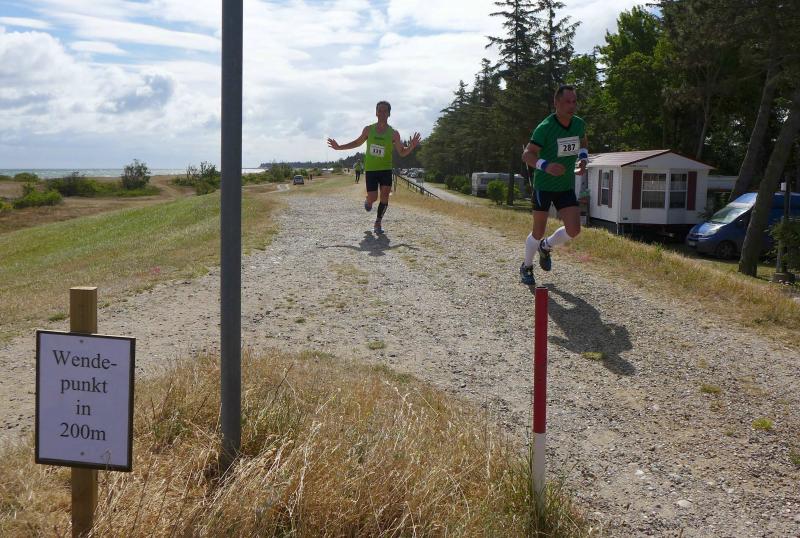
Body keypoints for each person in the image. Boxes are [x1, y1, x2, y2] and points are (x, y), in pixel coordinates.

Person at [519, 85, 588, 286]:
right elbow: (527, 155)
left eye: (574, 102)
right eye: (567, 102)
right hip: (544, 186)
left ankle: (546, 246)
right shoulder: (545, 127)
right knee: (538, 231)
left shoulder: (579, 124)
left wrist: (583, 159)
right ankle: (526, 266)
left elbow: (583, 142)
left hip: (565, 186)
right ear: (556, 103)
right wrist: (546, 166)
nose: (571, 106)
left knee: (574, 230)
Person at [327, 101, 421, 234]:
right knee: (373, 197)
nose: (382, 113)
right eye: (379, 111)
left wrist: (411, 146)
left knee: (385, 195)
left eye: (385, 111)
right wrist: (339, 147)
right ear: (376, 113)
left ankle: (378, 222)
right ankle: (368, 200)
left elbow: (402, 152)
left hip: (386, 169)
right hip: (371, 169)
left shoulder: (394, 133)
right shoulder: (368, 130)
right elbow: (357, 142)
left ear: (389, 114)